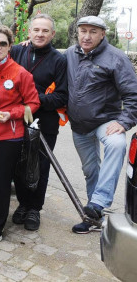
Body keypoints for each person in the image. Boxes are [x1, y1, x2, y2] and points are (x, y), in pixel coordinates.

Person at [66, 15, 137, 234]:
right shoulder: (69, 54)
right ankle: (92, 215)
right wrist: (26, 46)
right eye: (83, 31)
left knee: (116, 145)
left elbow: (133, 94)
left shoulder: (116, 58)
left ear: (103, 34)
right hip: (79, 126)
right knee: (90, 171)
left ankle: (99, 202)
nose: (86, 36)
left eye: (93, 32)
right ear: (77, 32)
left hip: (106, 122)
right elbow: (47, 60)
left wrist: (125, 122)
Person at [0, 24, 40, 249]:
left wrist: (12, 114)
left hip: (9, 138)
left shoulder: (21, 73)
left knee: (1, 183)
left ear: (10, 46)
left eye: (3, 43)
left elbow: (33, 103)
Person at [8, 14, 68, 231]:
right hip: (17, 121)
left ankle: (35, 209)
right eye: (36, 30)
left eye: (45, 31)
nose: (40, 34)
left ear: (52, 34)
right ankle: (23, 204)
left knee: (40, 167)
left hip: (45, 122)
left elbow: (61, 97)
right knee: (20, 165)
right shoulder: (16, 51)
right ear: (29, 32)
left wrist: (31, 98)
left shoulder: (59, 60)